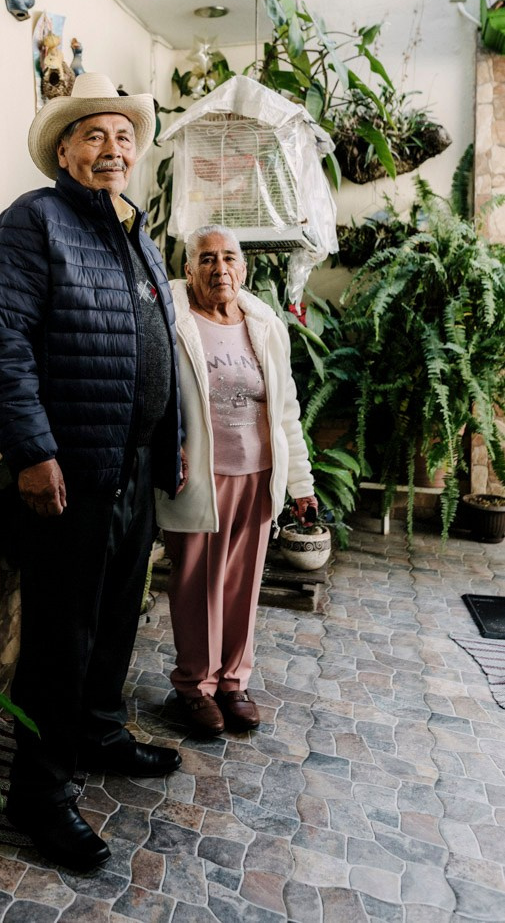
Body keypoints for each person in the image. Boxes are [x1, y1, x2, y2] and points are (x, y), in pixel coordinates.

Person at [0, 73, 185, 872]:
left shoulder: (132, 234)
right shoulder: (33, 224)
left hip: (128, 466)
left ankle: (97, 732)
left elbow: (160, 347)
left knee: (114, 619)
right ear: (63, 150)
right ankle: (40, 793)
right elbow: (1, 342)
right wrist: (30, 451)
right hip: (68, 472)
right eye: (94, 135)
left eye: (124, 137)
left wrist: (170, 441)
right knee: (59, 639)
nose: (112, 149)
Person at [155, 224, 316, 738]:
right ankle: (194, 686)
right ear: (188, 269)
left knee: (244, 586)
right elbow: (155, 393)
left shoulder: (265, 323)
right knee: (196, 582)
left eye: (228, 258)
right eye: (206, 258)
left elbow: (285, 408)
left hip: (258, 474)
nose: (218, 268)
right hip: (200, 475)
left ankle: (233, 682)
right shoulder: (174, 321)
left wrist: (301, 484)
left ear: (244, 269)